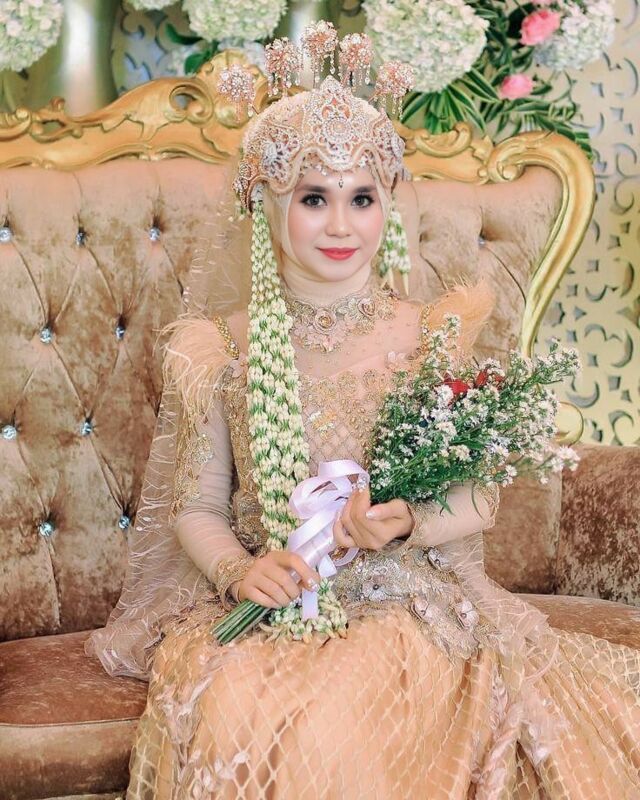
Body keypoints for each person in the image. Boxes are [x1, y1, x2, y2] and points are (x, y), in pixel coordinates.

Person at [86, 29, 640, 799]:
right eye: (314, 198)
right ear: (267, 203)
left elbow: (479, 498)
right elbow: (197, 507)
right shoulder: (219, 348)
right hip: (279, 603)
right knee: (240, 704)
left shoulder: (430, 335)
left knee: (339, 714)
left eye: (362, 198)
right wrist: (240, 571)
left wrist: (405, 520)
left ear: (387, 205)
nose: (341, 226)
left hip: (405, 603)